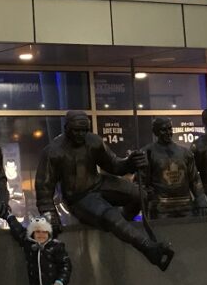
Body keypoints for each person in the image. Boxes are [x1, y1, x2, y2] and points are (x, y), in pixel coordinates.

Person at [35, 111, 174, 270]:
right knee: (110, 216)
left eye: (84, 130)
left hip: (99, 184)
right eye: (76, 130)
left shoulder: (93, 141)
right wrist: (50, 214)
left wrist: (130, 162)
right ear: (66, 128)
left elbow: (114, 165)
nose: (81, 134)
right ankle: (149, 248)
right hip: (78, 197)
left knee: (140, 194)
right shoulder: (53, 151)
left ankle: (120, 224)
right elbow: (44, 188)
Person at [142, 117, 207, 219]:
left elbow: (195, 180)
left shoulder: (185, 153)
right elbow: (142, 182)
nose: (168, 132)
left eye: (170, 129)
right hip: (160, 208)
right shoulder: (147, 152)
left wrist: (201, 199)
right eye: (163, 130)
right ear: (156, 132)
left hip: (186, 206)